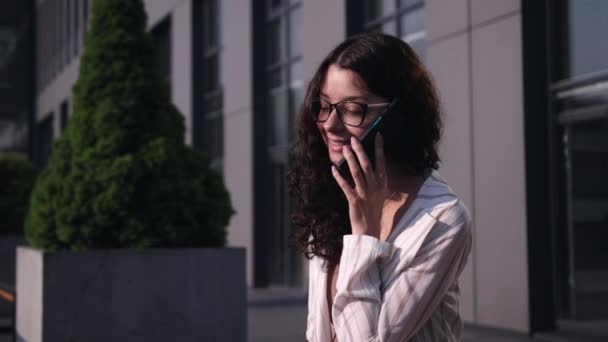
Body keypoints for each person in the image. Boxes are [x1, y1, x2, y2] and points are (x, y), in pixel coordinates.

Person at [288, 32, 473, 342]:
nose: (329, 125)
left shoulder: (442, 220)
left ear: (396, 116)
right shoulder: (334, 198)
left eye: (351, 109)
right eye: (324, 106)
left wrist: (365, 236)